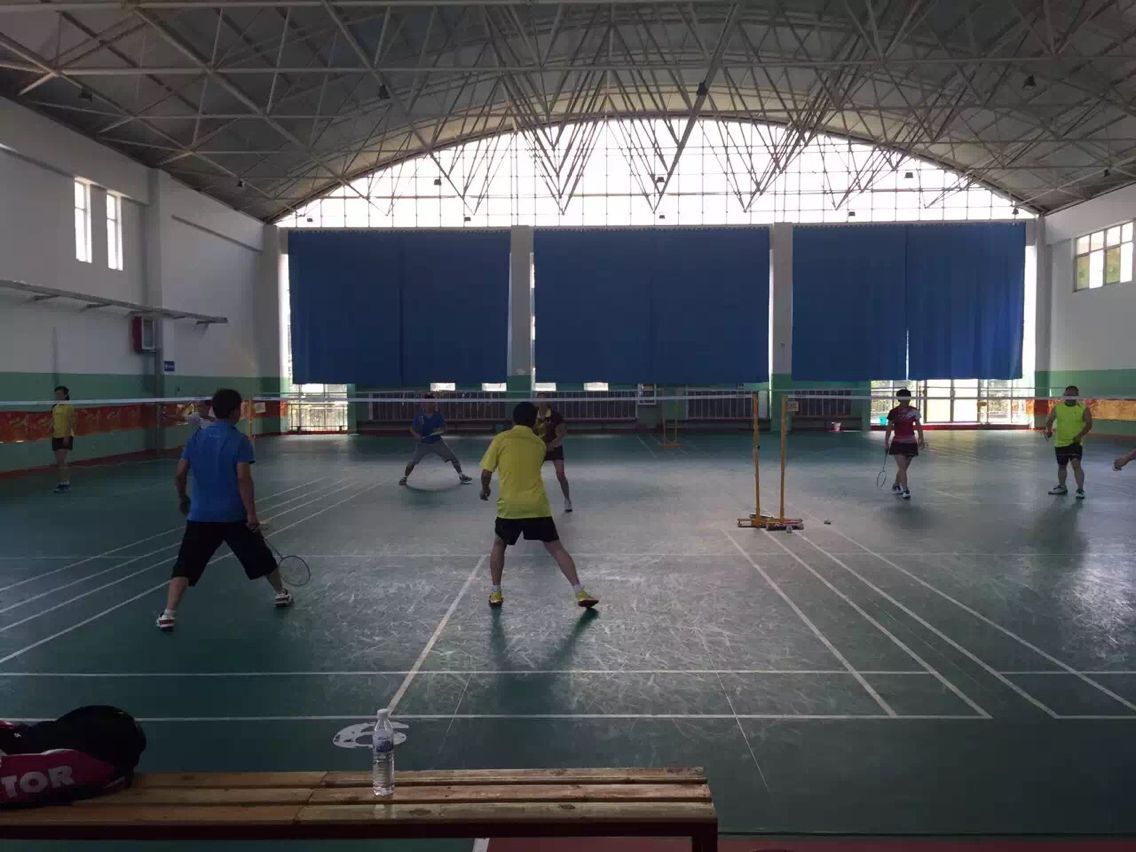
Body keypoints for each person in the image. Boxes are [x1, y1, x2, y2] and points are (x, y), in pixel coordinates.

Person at [156, 388, 292, 632]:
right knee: (260, 556)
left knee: (184, 565)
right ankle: (281, 593)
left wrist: (183, 498)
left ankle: (168, 613)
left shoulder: (195, 439)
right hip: (233, 516)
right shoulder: (240, 441)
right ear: (235, 411)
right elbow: (243, 479)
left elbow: (179, 474)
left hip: (200, 515)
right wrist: (251, 514)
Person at [479, 401, 598, 609]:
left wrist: (485, 489)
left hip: (510, 507)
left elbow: (486, 473)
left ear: (514, 419)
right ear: (534, 421)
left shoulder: (501, 439)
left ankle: (496, 592)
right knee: (556, 548)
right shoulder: (539, 444)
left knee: (499, 544)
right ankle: (579, 591)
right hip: (537, 506)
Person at [399, 394, 473, 487]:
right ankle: (405, 477)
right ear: (425, 404)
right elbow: (411, 428)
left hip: (437, 442)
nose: (434, 404)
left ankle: (461, 476)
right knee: (412, 463)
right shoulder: (419, 415)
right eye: (431, 402)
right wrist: (416, 435)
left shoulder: (438, 415)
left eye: (434, 402)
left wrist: (440, 430)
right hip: (423, 444)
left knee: (454, 458)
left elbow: (445, 429)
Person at [1045, 385, 1092, 499]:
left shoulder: (1083, 408)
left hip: (1075, 442)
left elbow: (1089, 423)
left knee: (1076, 465)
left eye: (1072, 395)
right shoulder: (1058, 407)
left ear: (1077, 396)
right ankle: (1062, 487)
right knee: (1062, 466)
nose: (1070, 396)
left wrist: (1080, 435)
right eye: (1068, 394)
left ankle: (1080, 490)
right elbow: (1050, 420)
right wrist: (1049, 431)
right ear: (1064, 395)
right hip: (1060, 442)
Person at [884, 388, 926, 500]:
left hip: (911, 442)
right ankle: (905, 490)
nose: (906, 400)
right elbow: (889, 428)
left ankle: (896, 485)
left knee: (904, 468)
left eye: (907, 398)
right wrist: (886, 442)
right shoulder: (893, 412)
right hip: (898, 442)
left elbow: (918, 426)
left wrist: (921, 438)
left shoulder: (914, 411)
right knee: (902, 467)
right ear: (899, 399)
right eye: (903, 398)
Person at [536, 396, 572, 512]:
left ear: (547, 402)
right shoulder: (533, 415)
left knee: (561, 474)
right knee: (533, 474)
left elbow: (563, 432)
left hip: (555, 447)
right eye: (539, 400)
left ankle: (567, 500)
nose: (541, 402)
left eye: (544, 399)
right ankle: (533, 501)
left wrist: (553, 443)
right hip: (539, 448)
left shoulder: (555, 415)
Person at [50, 385, 76, 494]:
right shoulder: (55, 406)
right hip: (55, 436)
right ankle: (62, 483)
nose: (57, 395)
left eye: (59, 393)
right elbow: (53, 420)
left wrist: (66, 436)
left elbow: (70, 422)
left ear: (65, 395)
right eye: (56, 394)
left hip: (65, 435)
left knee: (62, 461)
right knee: (59, 462)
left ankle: (66, 483)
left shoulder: (69, 406)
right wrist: (51, 427)